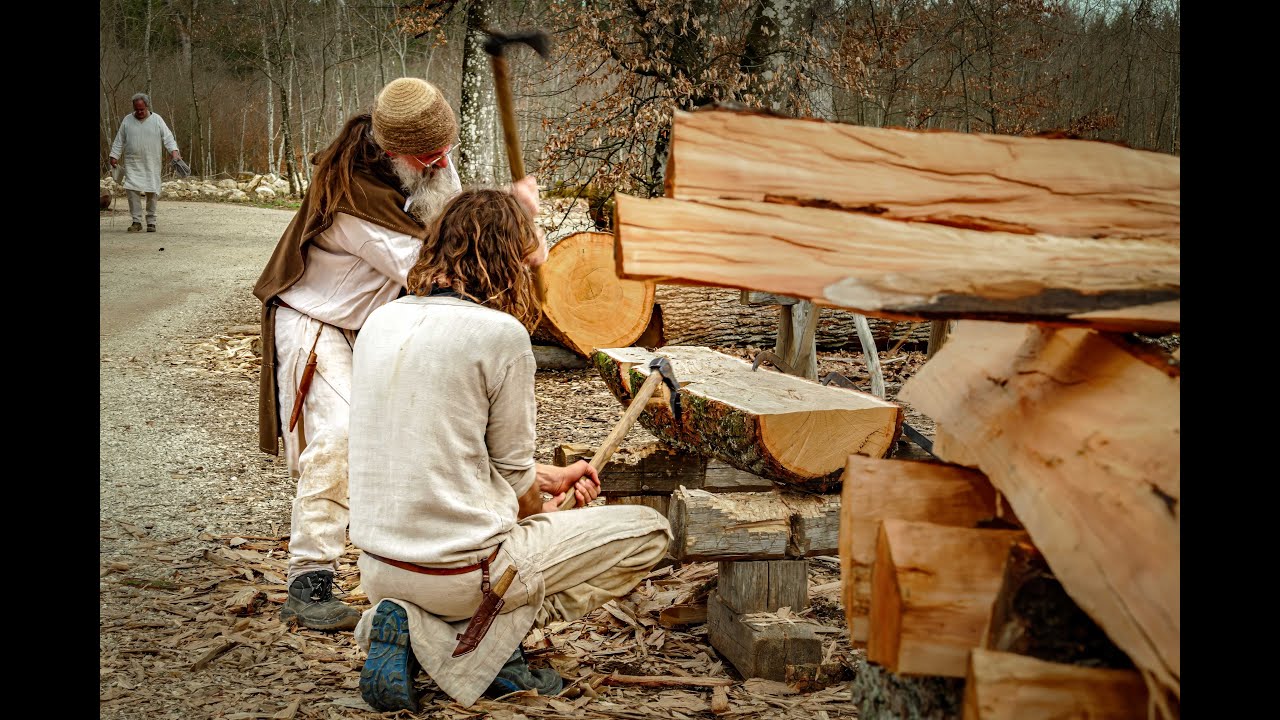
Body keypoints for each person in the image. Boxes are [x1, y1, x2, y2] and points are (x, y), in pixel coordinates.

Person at [347, 188, 673, 711]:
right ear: (505, 262)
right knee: (650, 533)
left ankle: (404, 624)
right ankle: (485, 652)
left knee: (522, 536)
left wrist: (550, 477)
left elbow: (453, 448)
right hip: (464, 576)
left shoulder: (381, 321)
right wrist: (539, 507)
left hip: (379, 569)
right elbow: (514, 481)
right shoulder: (500, 335)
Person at [253, 77, 540, 632]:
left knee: (409, 433)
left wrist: (513, 218)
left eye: (443, 150)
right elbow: (427, 265)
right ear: (390, 151)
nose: (438, 162)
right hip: (319, 322)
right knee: (338, 438)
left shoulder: (430, 163)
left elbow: (455, 220)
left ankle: (409, 565)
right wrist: (513, 218)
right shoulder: (353, 198)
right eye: (424, 154)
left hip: (377, 324)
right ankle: (308, 582)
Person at [108, 93, 181, 233]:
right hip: (133, 162)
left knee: (152, 191)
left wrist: (174, 152)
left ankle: (151, 221)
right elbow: (119, 139)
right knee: (132, 191)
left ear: (147, 106)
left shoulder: (157, 120)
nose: (140, 112)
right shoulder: (127, 120)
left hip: (151, 162)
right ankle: (136, 221)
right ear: (134, 108)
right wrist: (114, 155)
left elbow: (168, 137)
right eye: (137, 109)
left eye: (142, 109)